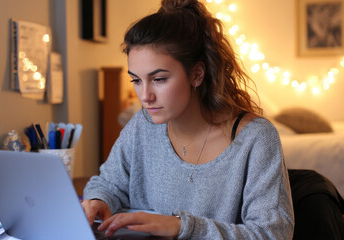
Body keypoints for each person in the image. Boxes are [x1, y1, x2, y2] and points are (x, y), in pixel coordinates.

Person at [82, 0, 294, 239]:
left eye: (159, 79)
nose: (145, 96)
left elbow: (273, 234)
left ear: (196, 74)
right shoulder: (143, 125)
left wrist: (182, 227)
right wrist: (98, 200)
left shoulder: (256, 139)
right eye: (137, 80)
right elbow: (108, 183)